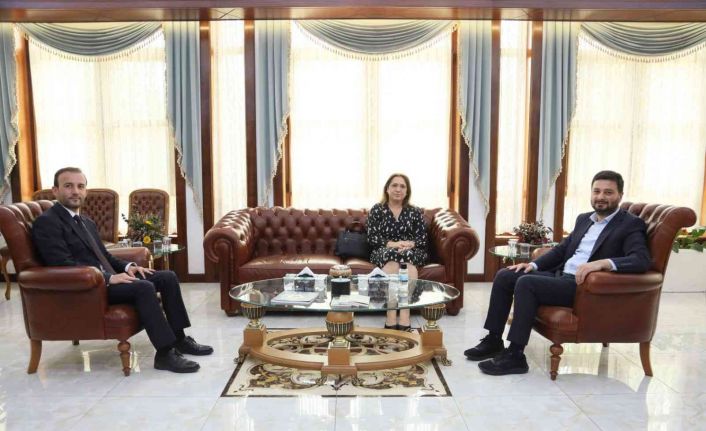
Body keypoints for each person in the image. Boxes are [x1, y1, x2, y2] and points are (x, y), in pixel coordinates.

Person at [465, 170, 651, 375]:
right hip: (561, 276)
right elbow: (562, 250)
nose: (601, 197)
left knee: (526, 283)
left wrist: (602, 264)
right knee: (505, 276)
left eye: (608, 192)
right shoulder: (584, 219)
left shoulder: (630, 224)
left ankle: (515, 356)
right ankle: (493, 340)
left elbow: (640, 260)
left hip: (584, 287)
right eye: (596, 191)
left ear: (620, 195)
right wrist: (533, 265)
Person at [32, 167, 213, 374]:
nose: (75, 191)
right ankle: (164, 354)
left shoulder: (86, 222)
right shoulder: (47, 223)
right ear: (55, 190)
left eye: (80, 186)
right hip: (86, 289)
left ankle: (179, 339)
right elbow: (62, 266)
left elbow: (104, 256)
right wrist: (108, 278)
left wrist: (129, 267)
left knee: (167, 277)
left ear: (85, 191)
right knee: (143, 288)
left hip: (103, 280)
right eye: (68, 186)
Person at [367, 173, 429, 331]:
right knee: (393, 261)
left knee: (406, 262)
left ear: (407, 191)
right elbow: (372, 238)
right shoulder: (377, 210)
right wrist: (394, 244)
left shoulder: (414, 211)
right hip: (385, 250)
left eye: (402, 186)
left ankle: (404, 314)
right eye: (394, 185)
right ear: (387, 189)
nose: (398, 189)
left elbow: (422, 239)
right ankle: (392, 314)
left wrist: (409, 244)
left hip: (409, 251)